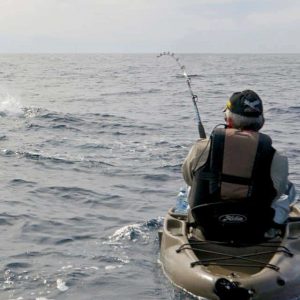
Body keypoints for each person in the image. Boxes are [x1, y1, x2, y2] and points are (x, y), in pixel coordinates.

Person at [182, 90, 293, 241]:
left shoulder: (202, 147)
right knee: (288, 190)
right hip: (254, 229)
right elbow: (278, 193)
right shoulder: (277, 157)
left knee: (191, 184)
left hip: (208, 226)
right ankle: (274, 234)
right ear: (261, 122)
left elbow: (188, 178)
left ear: (228, 120)